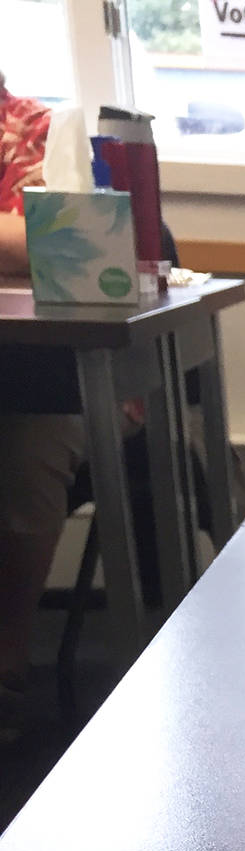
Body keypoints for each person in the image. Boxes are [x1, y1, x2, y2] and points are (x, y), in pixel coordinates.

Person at [0, 67, 89, 740]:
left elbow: (56, 238)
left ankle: (7, 660)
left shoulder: (43, 129)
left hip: (41, 379)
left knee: (27, 453)